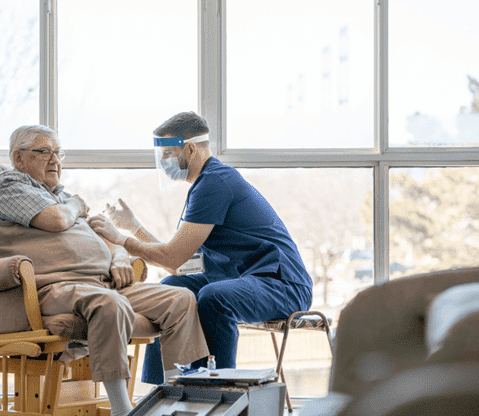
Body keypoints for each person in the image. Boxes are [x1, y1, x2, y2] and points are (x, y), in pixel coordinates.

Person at [0, 125, 209, 416]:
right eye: (44, 152)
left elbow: (108, 239)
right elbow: (54, 220)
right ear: (19, 157)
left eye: (58, 152)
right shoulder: (8, 185)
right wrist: (76, 204)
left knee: (180, 299)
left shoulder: (63, 198)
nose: (55, 160)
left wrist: (119, 259)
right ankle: (121, 408)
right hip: (55, 287)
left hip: (103, 283)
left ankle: (175, 400)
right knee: (109, 303)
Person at [89, 111, 313, 385]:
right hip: (241, 279)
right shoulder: (203, 186)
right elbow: (180, 263)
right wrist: (133, 228)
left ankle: (218, 390)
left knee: (213, 297)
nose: (163, 162)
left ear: (190, 148)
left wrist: (122, 240)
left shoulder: (216, 183)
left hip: (282, 285)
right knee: (170, 288)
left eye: (168, 153)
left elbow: (172, 256)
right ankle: (162, 389)